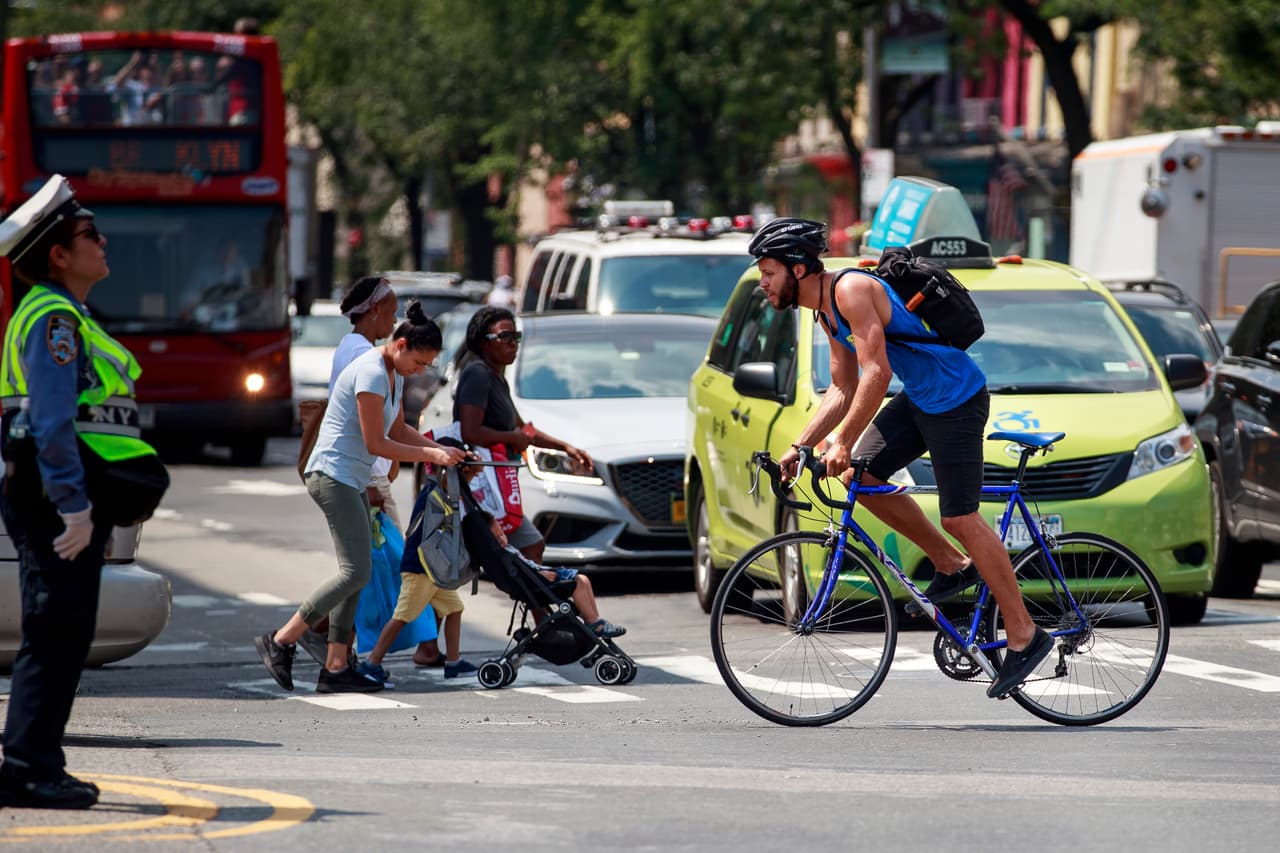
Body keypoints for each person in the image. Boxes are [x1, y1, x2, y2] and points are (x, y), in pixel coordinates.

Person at [749, 217, 1054, 700]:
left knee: (961, 516)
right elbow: (843, 387)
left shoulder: (850, 290)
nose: (763, 283)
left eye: (768, 271)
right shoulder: (824, 311)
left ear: (800, 267)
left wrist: (844, 438)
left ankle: (1025, 635)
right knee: (859, 475)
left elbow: (876, 372)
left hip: (956, 397)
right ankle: (951, 566)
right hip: (921, 398)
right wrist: (802, 445)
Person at [0, 176, 163, 808]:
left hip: (61, 497)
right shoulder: (54, 319)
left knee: (64, 633)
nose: (102, 242)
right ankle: (27, 768)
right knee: (54, 632)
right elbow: (49, 419)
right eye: (88, 234)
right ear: (59, 255)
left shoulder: (68, 316)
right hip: (52, 499)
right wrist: (72, 505)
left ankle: (38, 762)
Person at [253, 304, 467, 695]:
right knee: (355, 572)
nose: (420, 371)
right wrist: (432, 456)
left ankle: (336, 666)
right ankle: (282, 639)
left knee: (358, 571)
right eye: (418, 362)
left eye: (426, 366)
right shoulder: (370, 371)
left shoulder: (395, 373)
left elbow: (399, 428)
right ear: (400, 344)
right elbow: (377, 442)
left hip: (350, 478)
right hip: (331, 475)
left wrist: (440, 448)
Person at [451, 306, 591, 563]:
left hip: (497, 481)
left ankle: (533, 599)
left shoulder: (496, 378)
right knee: (528, 546)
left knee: (528, 547)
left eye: (516, 337)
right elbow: (469, 431)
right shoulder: (478, 374)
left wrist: (566, 447)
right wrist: (512, 439)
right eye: (505, 337)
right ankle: (535, 599)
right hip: (481, 483)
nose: (513, 344)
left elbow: (523, 428)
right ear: (484, 342)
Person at [363, 441, 485, 681]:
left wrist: (470, 468)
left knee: (455, 608)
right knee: (402, 616)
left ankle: (453, 661)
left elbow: (461, 485)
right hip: (420, 569)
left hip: (434, 570)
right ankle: (372, 662)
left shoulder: (440, 491)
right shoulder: (433, 494)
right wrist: (468, 469)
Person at [479, 510, 625, 638]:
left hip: (539, 577)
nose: (503, 540)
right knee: (579, 582)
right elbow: (523, 571)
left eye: (502, 534)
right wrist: (541, 574)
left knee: (583, 579)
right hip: (538, 582)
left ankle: (593, 619)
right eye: (497, 538)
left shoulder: (505, 550)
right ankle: (594, 623)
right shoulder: (504, 556)